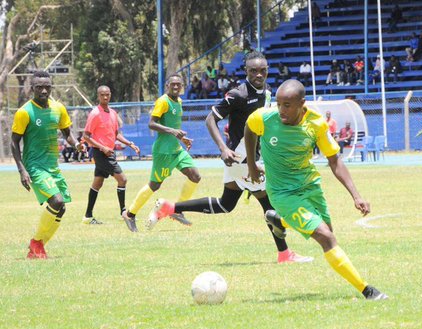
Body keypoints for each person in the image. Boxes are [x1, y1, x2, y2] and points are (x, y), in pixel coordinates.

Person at [147, 51, 312, 264]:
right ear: (246, 71)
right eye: (253, 71)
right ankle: (284, 254)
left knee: (226, 204)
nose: (258, 75)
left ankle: (170, 208)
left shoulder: (270, 92)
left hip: (251, 157)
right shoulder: (238, 95)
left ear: (267, 71)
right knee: (270, 204)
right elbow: (210, 119)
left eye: (262, 71)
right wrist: (223, 148)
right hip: (239, 157)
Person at [244, 79, 388, 300]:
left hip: (310, 185)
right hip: (282, 193)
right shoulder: (264, 117)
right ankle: (367, 290)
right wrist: (252, 164)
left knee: (329, 232)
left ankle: (279, 221)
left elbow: (335, 160)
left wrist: (356, 195)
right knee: (326, 238)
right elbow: (249, 128)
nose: (281, 110)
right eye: (279, 103)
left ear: (302, 104)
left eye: (287, 105)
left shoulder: (317, 124)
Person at [11, 70, 84, 259]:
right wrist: (22, 170)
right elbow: (14, 142)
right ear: (32, 89)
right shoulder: (24, 112)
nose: (44, 90)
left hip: (53, 166)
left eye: (47, 87)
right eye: (39, 87)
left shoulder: (58, 108)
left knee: (62, 207)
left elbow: (67, 133)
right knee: (57, 201)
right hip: (34, 166)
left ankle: (38, 248)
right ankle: (36, 243)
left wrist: (77, 144)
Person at [121, 74, 200, 232]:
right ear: (167, 86)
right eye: (173, 84)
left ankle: (177, 210)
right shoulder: (163, 101)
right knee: (155, 185)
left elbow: (173, 126)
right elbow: (151, 124)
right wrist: (173, 131)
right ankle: (130, 214)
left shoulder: (179, 101)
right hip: (163, 151)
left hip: (176, 150)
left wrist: (182, 139)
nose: (176, 87)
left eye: (179, 84)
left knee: (195, 176)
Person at [81, 85, 140, 225]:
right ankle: (124, 212)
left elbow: (116, 134)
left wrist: (130, 143)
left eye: (107, 94)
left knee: (97, 183)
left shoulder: (113, 113)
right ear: (98, 96)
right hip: (100, 153)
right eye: (102, 95)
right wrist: (102, 147)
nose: (105, 97)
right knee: (123, 179)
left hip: (108, 152)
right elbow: (86, 135)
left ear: (110, 95)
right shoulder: (95, 113)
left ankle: (87, 217)